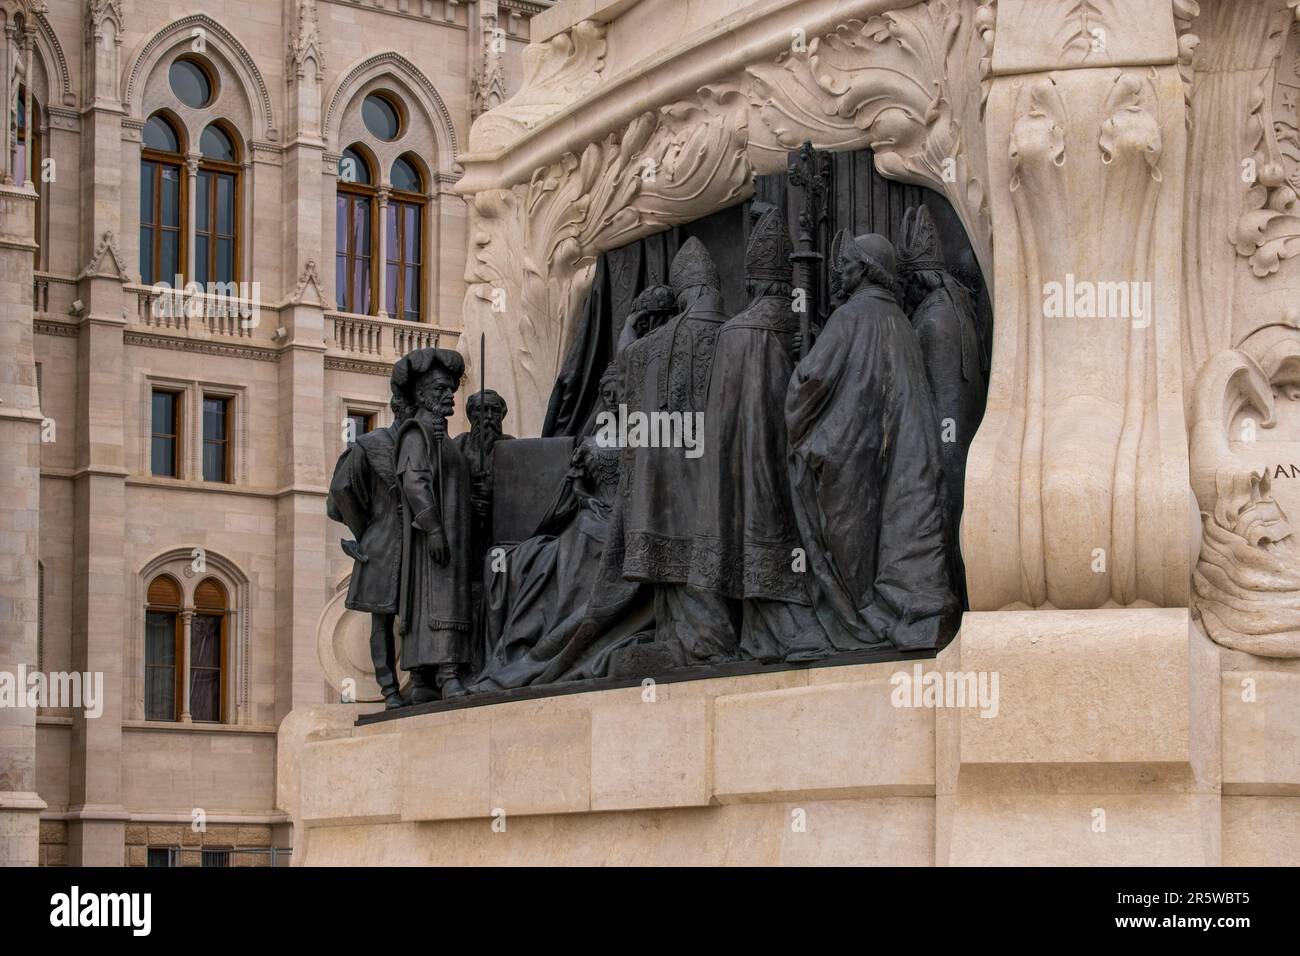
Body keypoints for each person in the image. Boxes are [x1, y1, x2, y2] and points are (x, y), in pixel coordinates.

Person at [785, 233, 958, 651]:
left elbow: (811, 383)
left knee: (848, 542)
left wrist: (797, 368)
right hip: (895, 459)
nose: (840, 273)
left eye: (846, 264)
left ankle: (861, 615)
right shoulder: (900, 320)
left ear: (863, 269)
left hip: (852, 459)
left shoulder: (848, 318)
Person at [688, 206, 833, 661]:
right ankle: (781, 625)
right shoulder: (804, 327)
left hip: (742, 464)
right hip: (786, 457)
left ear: (750, 283)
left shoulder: (732, 334)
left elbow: (720, 421)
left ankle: (757, 630)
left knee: (754, 527)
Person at [616, 237, 738, 663]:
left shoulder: (652, 346)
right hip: (726, 480)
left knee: (684, 564)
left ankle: (704, 643)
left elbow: (627, 366)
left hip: (670, 490)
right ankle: (686, 639)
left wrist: (628, 331)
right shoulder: (736, 331)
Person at [898, 206, 988, 607]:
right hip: (965, 440)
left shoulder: (929, 317)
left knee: (941, 523)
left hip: (940, 444)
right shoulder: (958, 306)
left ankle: (947, 596)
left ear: (918, 278)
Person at [393, 348, 475, 701]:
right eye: (440, 389)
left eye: (450, 390)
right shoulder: (417, 433)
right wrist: (435, 528)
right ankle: (443, 671)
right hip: (433, 540)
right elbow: (414, 482)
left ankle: (428, 680)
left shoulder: (446, 438)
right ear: (422, 395)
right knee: (436, 601)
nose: (448, 395)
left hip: (456, 535)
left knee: (451, 598)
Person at [325, 383, 413, 709]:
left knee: (413, 614)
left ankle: (414, 681)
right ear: (400, 409)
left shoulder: (420, 445)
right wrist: (365, 531)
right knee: (382, 617)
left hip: (413, 544)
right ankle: (388, 688)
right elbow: (342, 491)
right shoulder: (371, 443)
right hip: (383, 542)